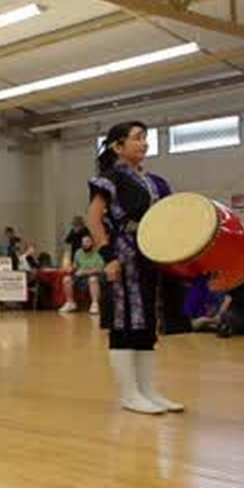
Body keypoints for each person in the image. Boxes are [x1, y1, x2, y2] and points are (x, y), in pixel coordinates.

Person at [87, 121, 187, 415]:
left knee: (146, 325)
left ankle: (149, 391)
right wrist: (109, 257)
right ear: (118, 145)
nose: (144, 143)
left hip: (152, 255)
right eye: (137, 138)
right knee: (124, 323)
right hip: (124, 254)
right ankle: (129, 394)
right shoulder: (109, 179)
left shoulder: (157, 182)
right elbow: (94, 221)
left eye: (146, 138)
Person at [192, 254, 244, 337]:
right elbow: (228, 300)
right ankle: (216, 324)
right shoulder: (240, 281)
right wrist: (218, 316)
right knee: (230, 316)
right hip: (232, 315)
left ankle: (219, 326)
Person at [60, 235, 103, 314]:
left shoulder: (97, 254)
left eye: (87, 242)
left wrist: (85, 272)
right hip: (79, 276)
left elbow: (100, 269)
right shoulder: (78, 252)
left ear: (92, 243)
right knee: (66, 279)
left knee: (93, 279)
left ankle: (94, 304)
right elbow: (75, 266)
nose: (85, 244)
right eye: (83, 242)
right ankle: (70, 303)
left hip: (93, 275)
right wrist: (70, 268)